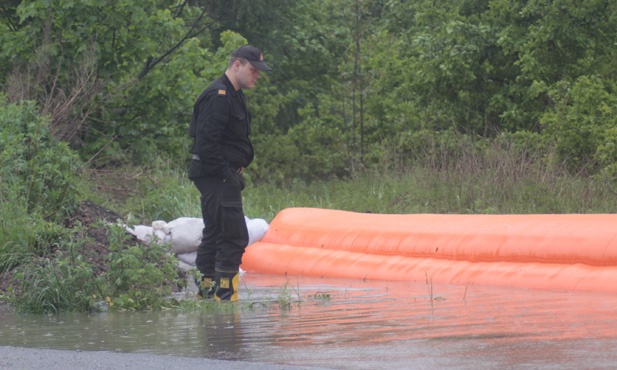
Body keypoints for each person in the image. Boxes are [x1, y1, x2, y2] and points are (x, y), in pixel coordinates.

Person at [188, 45, 272, 301]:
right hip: (216, 175)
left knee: (214, 233)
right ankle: (225, 298)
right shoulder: (219, 95)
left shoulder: (234, 94)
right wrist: (227, 175)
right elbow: (206, 143)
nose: (257, 75)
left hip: (219, 174)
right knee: (235, 237)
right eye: (253, 69)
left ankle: (206, 295)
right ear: (237, 65)